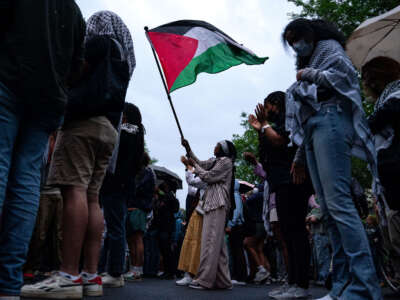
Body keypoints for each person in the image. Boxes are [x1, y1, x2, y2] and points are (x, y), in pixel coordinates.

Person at [21, 10, 134, 299]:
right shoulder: (123, 58)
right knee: (93, 198)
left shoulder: (96, 44)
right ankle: (90, 275)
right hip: (109, 130)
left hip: (82, 123)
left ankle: (68, 274)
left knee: (74, 191)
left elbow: (73, 74)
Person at [283, 18, 382, 300]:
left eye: (297, 38)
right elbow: (306, 107)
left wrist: (308, 75)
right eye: (290, 42)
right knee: (327, 209)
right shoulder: (309, 57)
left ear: (310, 33)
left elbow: (345, 78)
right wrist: (300, 155)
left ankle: (364, 286)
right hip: (315, 127)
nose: (295, 45)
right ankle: (340, 286)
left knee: (339, 204)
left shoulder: (328, 47)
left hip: (332, 120)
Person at [0, 1, 85, 298]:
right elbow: (76, 68)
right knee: (26, 184)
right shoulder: (74, 11)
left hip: (9, 79)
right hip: (49, 99)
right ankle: (8, 284)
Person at [249, 91, 313, 299]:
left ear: (276, 105)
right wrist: (261, 130)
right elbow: (267, 151)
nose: (265, 110)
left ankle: (301, 283)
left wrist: (265, 125)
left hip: (292, 181)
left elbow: (278, 142)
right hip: (279, 183)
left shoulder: (289, 121)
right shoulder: (271, 125)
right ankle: (292, 281)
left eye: (267, 106)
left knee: (295, 233)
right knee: (286, 233)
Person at [362, 56, 400, 282]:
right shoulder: (384, 102)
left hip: (395, 173)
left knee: (396, 231)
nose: (366, 83)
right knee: (391, 236)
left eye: (368, 77)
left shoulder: (394, 99)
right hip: (386, 178)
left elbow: (371, 126)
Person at [99, 103, 144, 287]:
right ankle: (107, 269)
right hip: (123, 185)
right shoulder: (137, 132)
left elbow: (115, 158)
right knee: (114, 227)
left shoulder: (125, 132)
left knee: (115, 228)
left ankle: (114, 271)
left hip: (114, 183)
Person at [182, 139, 236, 290]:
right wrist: (188, 148)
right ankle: (223, 280)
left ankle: (204, 280)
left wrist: (194, 167)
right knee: (217, 245)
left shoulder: (226, 162)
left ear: (223, 149)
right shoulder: (215, 160)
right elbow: (200, 163)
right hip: (212, 203)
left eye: (217, 145)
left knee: (210, 242)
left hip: (217, 203)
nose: (214, 147)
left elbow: (208, 176)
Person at [176, 156, 207, 286]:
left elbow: (192, 182)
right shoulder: (207, 178)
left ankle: (194, 273)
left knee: (196, 243)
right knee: (190, 242)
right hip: (198, 212)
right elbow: (193, 190)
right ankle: (189, 272)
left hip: (204, 213)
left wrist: (189, 167)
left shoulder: (210, 177)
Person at [125, 153, 155, 281]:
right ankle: (133, 269)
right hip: (133, 208)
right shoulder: (143, 171)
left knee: (137, 239)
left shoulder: (146, 172)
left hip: (138, 209)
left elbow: (136, 188)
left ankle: (138, 270)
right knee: (131, 239)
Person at [243, 185, 271, 284]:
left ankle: (261, 269)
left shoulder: (257, 196)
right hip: (265, 224)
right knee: (259, 249)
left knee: (248, 244)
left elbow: (247, 202)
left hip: (257, 223)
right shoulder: (268, 196)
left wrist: (251, 194)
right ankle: (267, 274)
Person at [152, 182, 180, 280]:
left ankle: (170, 272)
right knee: (164, 250)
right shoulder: (161, 198)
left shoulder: (169, 197)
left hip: (167, 227)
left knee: (167, 249)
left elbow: (174, 209)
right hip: (162, 226)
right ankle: (167, 271)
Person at [226, 180, 247, 286]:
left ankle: (240, 277)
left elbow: (236, 211)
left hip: (236, 227)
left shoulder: (234, 195)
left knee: (237, 251)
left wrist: (230, 224)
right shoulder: (237, 195)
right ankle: (239, 276)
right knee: (237, 251)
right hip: (237, 226)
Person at [306, 198, 331, 286]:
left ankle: (323, 278)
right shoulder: (314, 209)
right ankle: (320, 277)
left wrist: (309, 217)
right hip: (316, 235)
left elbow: (314, 219)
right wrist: (309, 217)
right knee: (317, 258)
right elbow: (307, 218)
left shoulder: (321, 207)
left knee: (322, 257)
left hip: (322, 234)